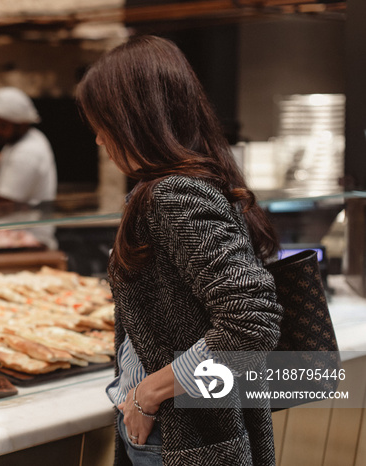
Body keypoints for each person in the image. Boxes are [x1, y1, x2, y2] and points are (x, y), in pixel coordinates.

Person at [76, 35, 284, 465]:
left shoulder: (173, 194)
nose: (99, 139)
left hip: (180, 432)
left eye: (104, 123)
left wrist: (149, 395)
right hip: (181, 424)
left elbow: (251, 322)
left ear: (135, 119)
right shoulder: (189, 182)